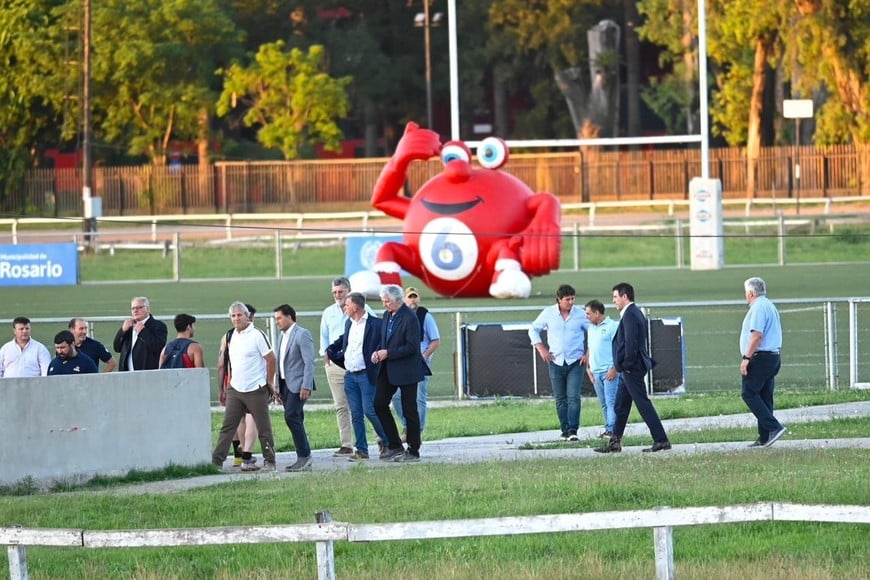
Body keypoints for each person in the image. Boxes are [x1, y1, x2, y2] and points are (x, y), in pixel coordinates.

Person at [596, 282, 671, 453]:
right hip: (627, 369)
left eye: (615, 297)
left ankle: (661, 440)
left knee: (643, 404)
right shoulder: (631, 313)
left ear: (625, 296)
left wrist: (626, 365)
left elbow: (631, 343)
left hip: (631, 368)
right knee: (620, 406)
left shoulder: (630, 315)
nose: (613, 300)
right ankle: (614, 442)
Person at [212, 302, 277, 472]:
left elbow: (271, 359)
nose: (236, 319)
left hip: (256, 388)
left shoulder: (257, 335)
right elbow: (227, 363)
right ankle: (216, 462)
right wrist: (226, 386)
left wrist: (269, 382)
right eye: (233, 316)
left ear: (247, 316)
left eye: (239, 315)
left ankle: (269, 460)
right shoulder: (231, 336)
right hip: (235, 388)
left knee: (263, 427)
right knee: (228, 426)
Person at [326, 292, 389, 461]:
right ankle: (361, 449)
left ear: (355, 306)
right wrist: (330, 350)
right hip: (350, 376)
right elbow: (343, 340)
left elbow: (385, 343)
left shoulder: (375, 324)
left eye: (347, 305)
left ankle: (388, 441)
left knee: (370, 410)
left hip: (366, 376)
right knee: (356, 414)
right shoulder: (349, 324)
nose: (344, 307)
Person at [320, 276, 374, 457]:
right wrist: (326, 356)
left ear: (349, 291)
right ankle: (347, 443)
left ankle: (381, 439)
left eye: (341, 292)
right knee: (341, 405)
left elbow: (375, 331)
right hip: (336, 365)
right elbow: (324, 337)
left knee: (367, 407)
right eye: (334, 292)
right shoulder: (328, 312)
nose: (337, 295)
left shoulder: (365, 310)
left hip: (360, 365)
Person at [528, 284, 589, 441]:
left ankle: (573, 430)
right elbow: (533, 329)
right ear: (559, 300)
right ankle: (565, 430)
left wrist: (588, 353)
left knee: (573, 396)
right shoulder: (548, 313)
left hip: (576, 362)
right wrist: (541, 348)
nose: (570, 302)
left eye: (573, 299)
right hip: (555, 361)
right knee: (560, 397)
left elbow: (594, 331)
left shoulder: (581, 314)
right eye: (567, 299)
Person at [372, 284, 425, 463]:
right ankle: (395, 445)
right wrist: (378, 351)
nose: (384, 305)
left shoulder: (410, 318)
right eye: (383, 301)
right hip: (388, 368)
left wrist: (389, 353)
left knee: (409, 410)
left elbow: (411, 347)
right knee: (379, 403)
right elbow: (384, 340)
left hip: (407, 369)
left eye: (387, 301)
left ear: (397, 300)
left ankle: (413, 449)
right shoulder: (387, 315)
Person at [740, 277, 787, 448]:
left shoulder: (758, 308)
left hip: (760, 357)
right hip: (772, 356)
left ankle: (774, 427)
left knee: (749, 393)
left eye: (746, 292)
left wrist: (746, 358)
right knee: (764, 396)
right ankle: (765, 436)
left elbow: (757, 335)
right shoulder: (769, 305)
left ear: (751, 292)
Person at [392, 286, 439, 437]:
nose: (413, 300)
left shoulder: (425, 316)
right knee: (397, 396)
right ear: (404, 299)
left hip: (419, 362)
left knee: (419, 397)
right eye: (410, 297)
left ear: (419, 298)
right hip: (403, 360)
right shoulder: (399, 315)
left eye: (415, 296)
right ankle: (408, 425)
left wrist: (424, 356)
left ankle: (417, 431)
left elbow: (435, 341)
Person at [217, 303, 261, 467]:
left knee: (236, 420)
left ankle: (239, 455)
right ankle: (247, 454)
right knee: (250, 417)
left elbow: (220, 363)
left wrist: (221, 387)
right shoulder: (253, 335)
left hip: (231, 382)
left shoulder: (227, 336)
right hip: (248, 382)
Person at [273, 304, 316, 472]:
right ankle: (303, 457)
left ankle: (305, 456)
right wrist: (277, 385)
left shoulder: (302, 334)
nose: (277, 322)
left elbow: (309, 362)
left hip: (298, 385)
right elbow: (279, 362)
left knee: (291, 416)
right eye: (276, 318)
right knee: (296, 417)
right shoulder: (281, 336)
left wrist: (306, 385)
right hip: (285, 385)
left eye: (279, 318)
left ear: (289, 317)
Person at [584, 299, 619, 439]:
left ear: (597, 313)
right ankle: (608, 427)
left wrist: (615, 368)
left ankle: (613, 431)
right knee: (604, 403)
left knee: (611, 402)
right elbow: (590, 348)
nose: (586, 317)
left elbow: (620, 349)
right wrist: (588, 367)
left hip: (609, 371)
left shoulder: (612, 326)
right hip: (595, 371)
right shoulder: (591, 328)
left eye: (588, 314)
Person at [113, 297, 168, 371]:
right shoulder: (129, 327)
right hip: (126, 375)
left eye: (139, 307)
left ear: (148, 309)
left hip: (147, 374)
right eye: (133, 308)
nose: (135, 310)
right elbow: (117, 348)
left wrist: (143, 332)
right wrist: (122, 331)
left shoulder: (158, 326)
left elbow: (158, 347)